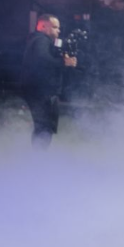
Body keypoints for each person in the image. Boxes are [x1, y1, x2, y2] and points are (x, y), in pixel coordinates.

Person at [21, 14, 77, 149]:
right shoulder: (41, 40)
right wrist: (64, 62)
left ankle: (39, 155)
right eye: (54, 27)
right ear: (43, 26)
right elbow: (42, 59)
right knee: (44, 126)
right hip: (41, 91)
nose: (58, 30)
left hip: (39, 90)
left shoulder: (37, 40)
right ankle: (39, 156)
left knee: (43, 126)